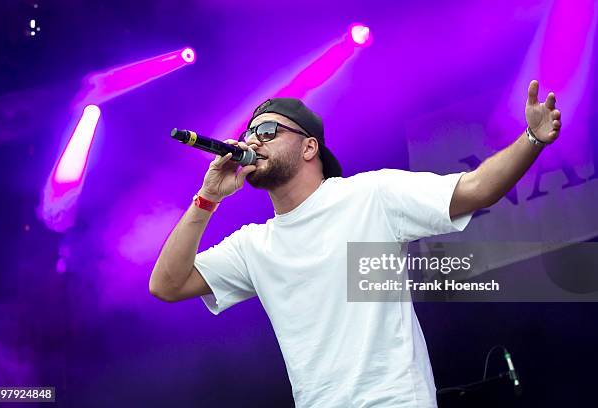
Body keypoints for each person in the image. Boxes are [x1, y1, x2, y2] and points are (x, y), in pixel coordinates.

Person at [149, 80, 561, 407]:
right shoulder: (253, 245)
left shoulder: (368, 195)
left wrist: (532, 138)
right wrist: (208, 198)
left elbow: (475, 190)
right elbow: (167, 285)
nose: (253, 141)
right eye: (249, 133)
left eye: (268, 130)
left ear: (310, 146)